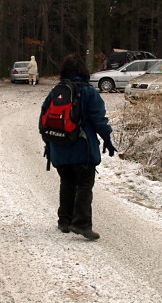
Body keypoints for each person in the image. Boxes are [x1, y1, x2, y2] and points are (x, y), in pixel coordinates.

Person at [40, 53, 117, 240]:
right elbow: (99, 120)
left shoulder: (56, 92)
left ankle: (64, 221)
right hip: (82, 148)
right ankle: (81, 224)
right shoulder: (88, 92)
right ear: (84, 71)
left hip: (59, 147)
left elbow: (44, 121)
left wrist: (49, 143)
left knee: (67, 182)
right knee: (84, 184)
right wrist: (107, 139)